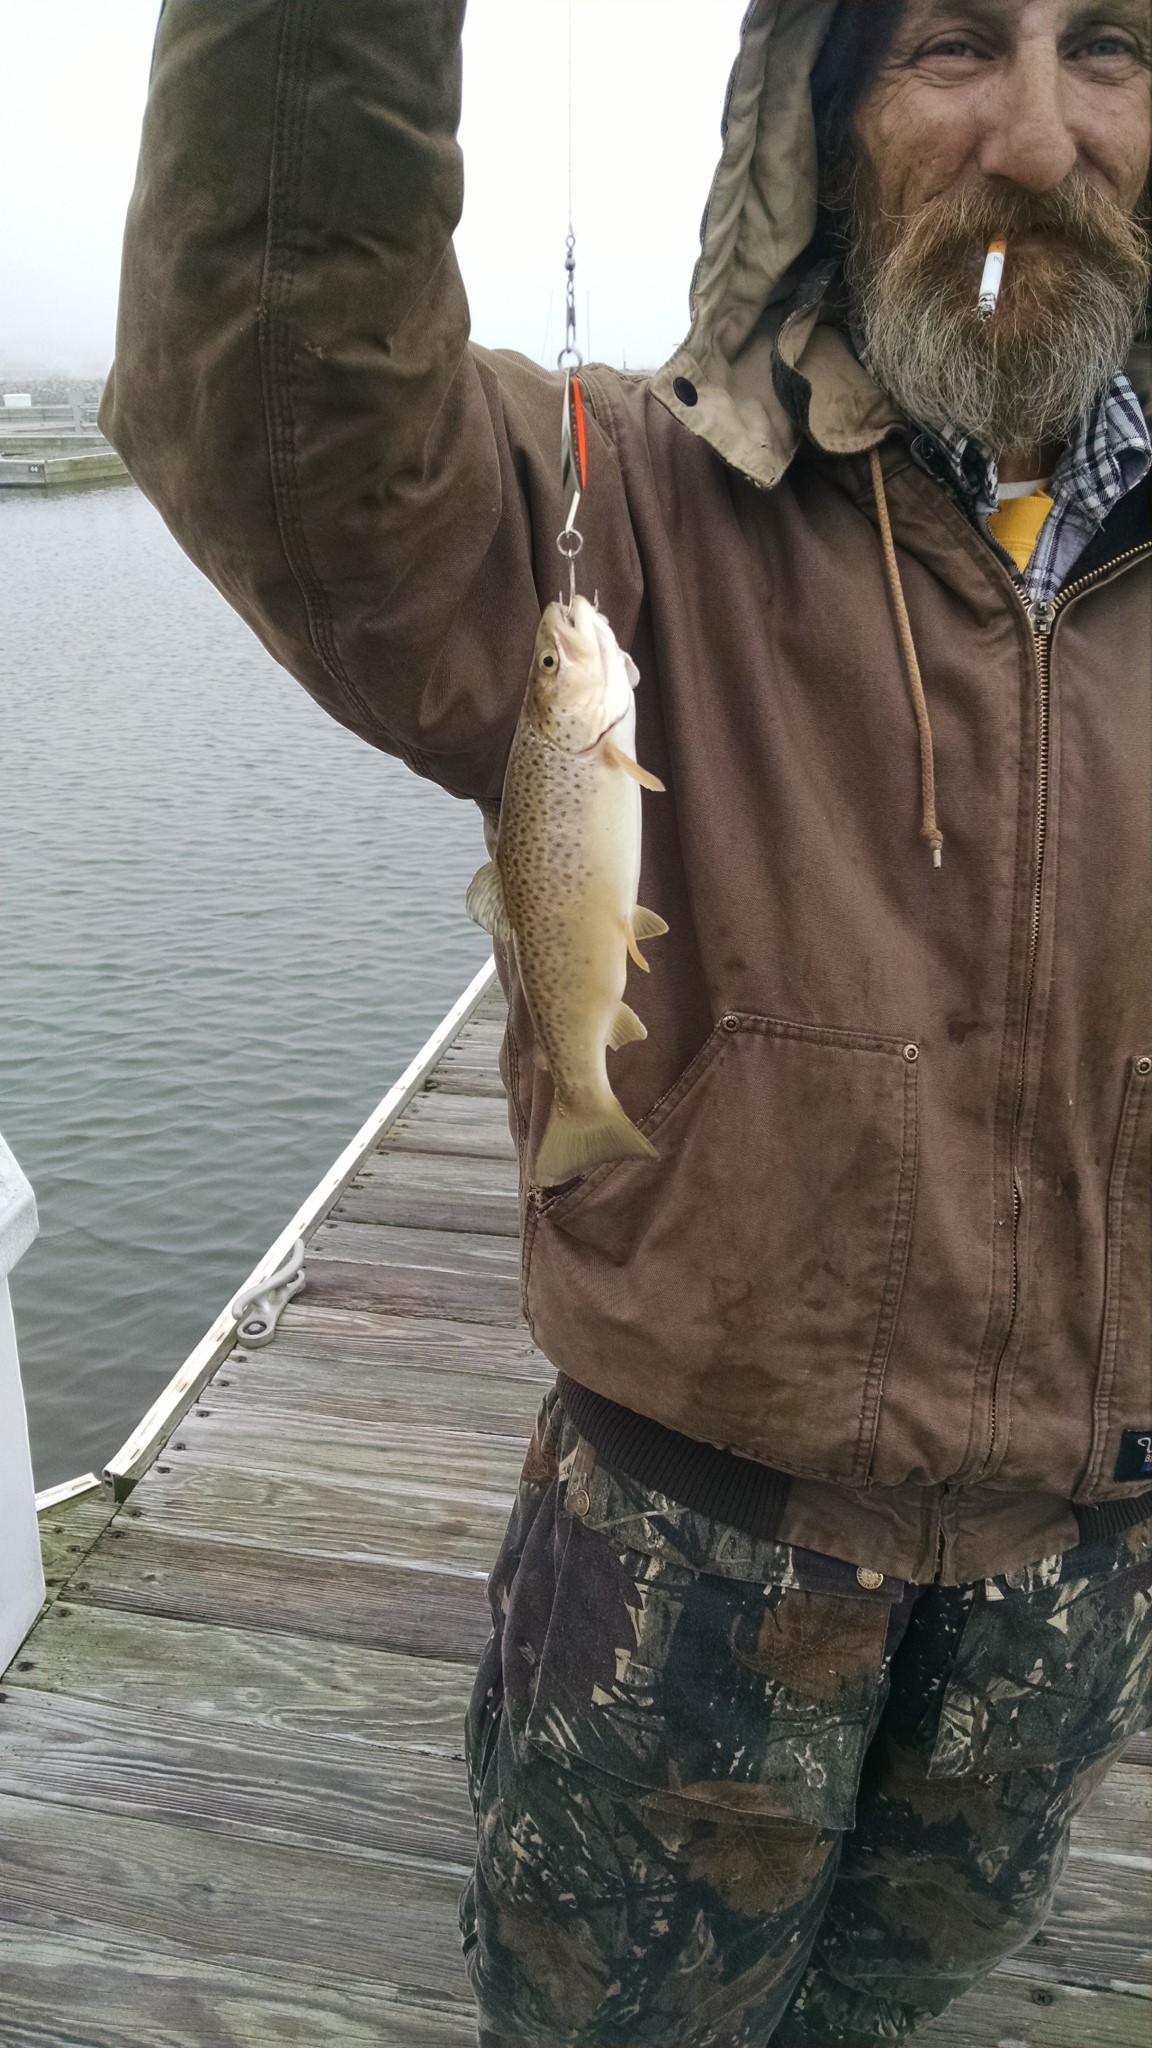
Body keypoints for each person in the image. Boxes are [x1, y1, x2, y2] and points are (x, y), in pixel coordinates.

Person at [102, 2, 1152, 2041]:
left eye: (1107, 46)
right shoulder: (627, 504)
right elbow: (283, 399)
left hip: (1079, 1573)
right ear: (821, 116)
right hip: (694, 1560)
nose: (1037, 134)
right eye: (955, 43)